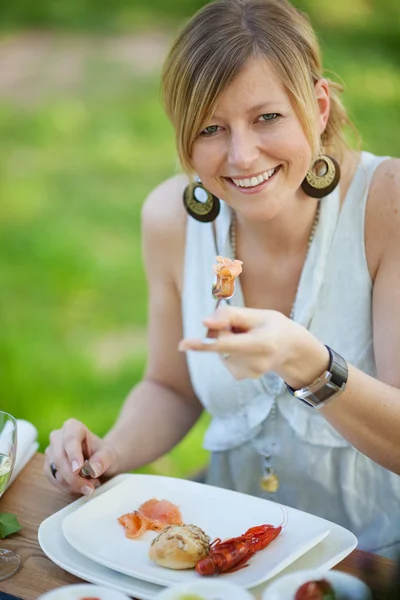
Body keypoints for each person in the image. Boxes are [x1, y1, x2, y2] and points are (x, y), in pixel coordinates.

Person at [44, 0, 400, 558]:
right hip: (230, 547)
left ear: (320, 105)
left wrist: (308, 363)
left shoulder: (388, 204)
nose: (241, 155)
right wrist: (106, 454)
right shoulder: (169, 220)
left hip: (376, 552)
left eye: (268, 117)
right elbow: (170, 386)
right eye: (211, 128)